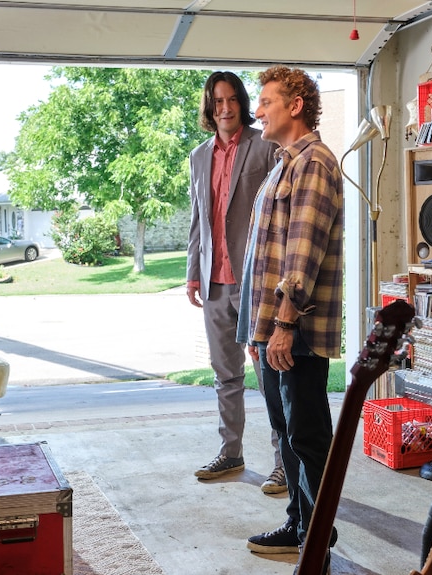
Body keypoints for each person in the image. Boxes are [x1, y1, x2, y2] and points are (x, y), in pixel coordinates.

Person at [237, 66, 344, 574]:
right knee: (287, 432)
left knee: (306, 434)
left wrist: (283, 325)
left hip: (294, 331)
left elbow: (302, 255)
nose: (256, 110)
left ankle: (317, 535)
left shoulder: (314, 163)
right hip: (270, 327)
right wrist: (259, 331)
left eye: (265, 101)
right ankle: (300, 524)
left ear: (295, 104)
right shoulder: (283, 165)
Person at [186, 71, 286, 493]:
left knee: (269, 377)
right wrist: (193, 271)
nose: (224, 108)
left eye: (230, 100)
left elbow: (280, 214)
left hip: (256, 282)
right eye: (217, 101)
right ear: (209, 108)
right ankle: (231, 453)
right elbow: (199, 219)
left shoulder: (265, 147)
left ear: (241, 103)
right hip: (214, 281)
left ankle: (285, 462)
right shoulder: (198, 156)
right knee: (225, 375)